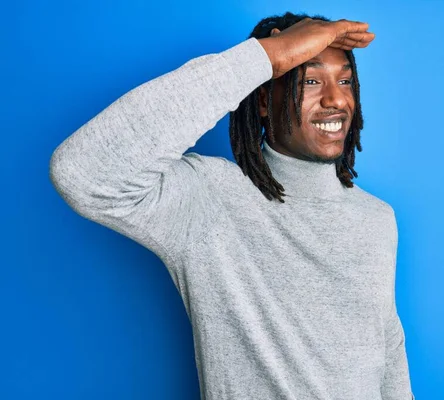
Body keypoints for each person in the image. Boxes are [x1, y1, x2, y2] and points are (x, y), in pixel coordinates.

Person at [49, 10, 415, 400]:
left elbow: (388, 352)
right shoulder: (208, 199)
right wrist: (266, 57)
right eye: (309, 80)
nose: (335, 99)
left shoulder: (377, 219)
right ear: (262, 99)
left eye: (345, 81)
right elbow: (81, 172)